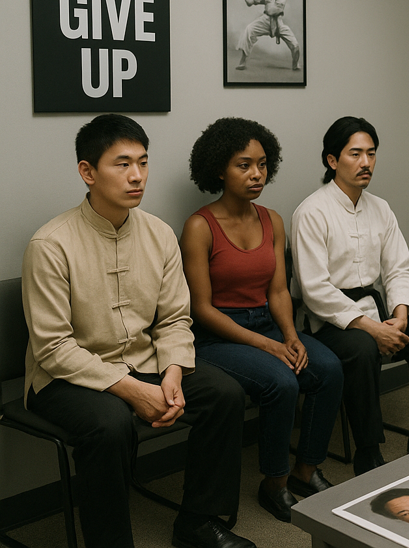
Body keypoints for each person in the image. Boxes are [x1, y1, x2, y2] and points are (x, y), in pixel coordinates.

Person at [21, 114, 254, 548]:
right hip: (64, 378)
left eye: (144, 163)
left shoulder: (160, 233)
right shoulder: (50, 244)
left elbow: (173, 319)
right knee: (109, 424)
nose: (137, 176)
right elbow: (53, 348)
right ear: (87, 172)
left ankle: (198, 522)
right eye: (122, 164)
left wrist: (171, 374)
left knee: (224, 394)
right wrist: (131, 390)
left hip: (144, 362)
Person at [179, 118, 344, 523]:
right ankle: (275, 482)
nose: (257, 174)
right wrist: (265, 345)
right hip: (218, 336)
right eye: (243, 165)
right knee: (281, 381)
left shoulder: (272, 220)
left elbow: (277, 292)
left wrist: (291, 336)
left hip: (267, 323)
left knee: (327, 368)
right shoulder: (199, 227)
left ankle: (306, 468)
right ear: (219, 169)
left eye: (263, 164)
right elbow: (201, 308)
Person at [291, 116, 409, 475]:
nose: (366, 162)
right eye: (355, 154)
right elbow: (315, 289)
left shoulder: (380, 208)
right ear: (332, 160)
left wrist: (399, 315)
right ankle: (368, 448)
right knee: (363, 348)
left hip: (378, 308)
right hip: (328, 320)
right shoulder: (311, 212)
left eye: (371, 153)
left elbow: (398, 268)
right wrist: (373, 329)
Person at [233, 0, 301, 71]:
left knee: (295, 46)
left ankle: (295, 64)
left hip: (278, 22)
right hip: (265, 20)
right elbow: (251, 2)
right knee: (249, 30)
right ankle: (243, 61)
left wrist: (267, 1)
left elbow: (275, 10)